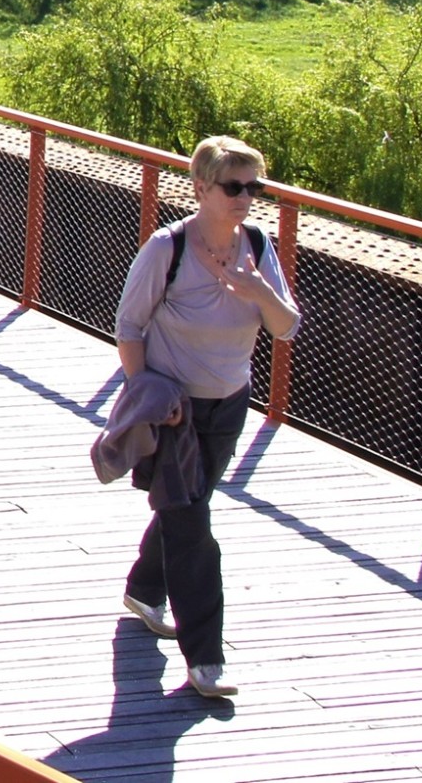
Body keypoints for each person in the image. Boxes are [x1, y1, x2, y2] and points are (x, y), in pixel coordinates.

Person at [112, 135, 300, 699]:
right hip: (175, 409)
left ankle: (145, 588)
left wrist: (259, 289)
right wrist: (147, 395)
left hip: (229, 403)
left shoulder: (259, 247)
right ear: (200, 188)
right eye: (233, 187)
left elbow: (287, 326)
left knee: (186, 506)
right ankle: (206, 657)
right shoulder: (166, 249)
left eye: (254, 187)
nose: (245, 197)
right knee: (194, 529)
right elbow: (129, 327)